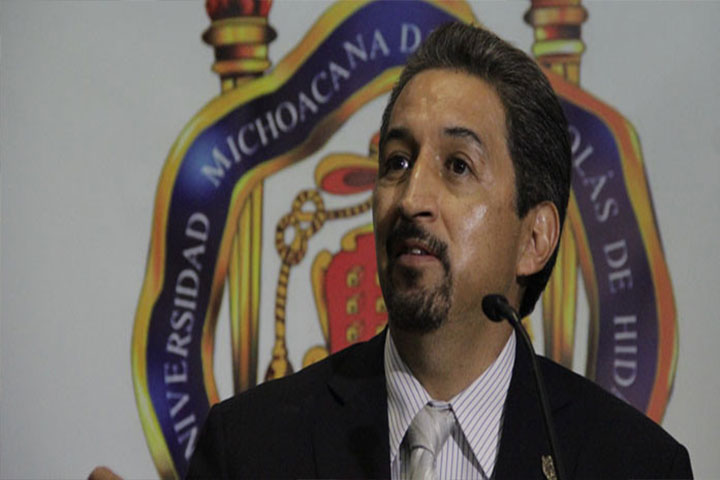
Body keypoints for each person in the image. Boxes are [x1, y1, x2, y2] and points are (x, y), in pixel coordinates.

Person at [186, 22, 692, 479]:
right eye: (398, 162)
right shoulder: (249, 449)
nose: (411, 200)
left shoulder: (635, 466)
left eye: (458, 166)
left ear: (534, 239)